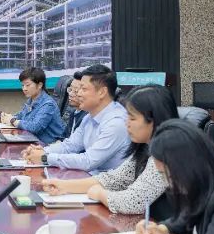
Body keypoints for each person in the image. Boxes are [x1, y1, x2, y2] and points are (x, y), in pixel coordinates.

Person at [41, 85, 176, 215]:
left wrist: (100, 194)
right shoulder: (144, 149)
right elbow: (114, 179)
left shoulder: (166, 153)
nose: (126, 123)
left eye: (132, 118)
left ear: (154, 120)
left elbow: (133, 201)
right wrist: (63, 186)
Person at [20, 63, 130, 174]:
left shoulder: (116, 123)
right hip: (87, 177)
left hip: (103, 182)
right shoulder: (89, 117)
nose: (79, 94)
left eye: (83, 89)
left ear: (102, 92)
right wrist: (42, 150)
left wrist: (45, 157)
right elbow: (70, 146)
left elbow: (88, 161)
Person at [1, 67, 64, 145]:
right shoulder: (31, 100)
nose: (24, 89)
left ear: (40, 85)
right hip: (32, 140)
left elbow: (35, 127)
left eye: (27, 85)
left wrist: (13, 121)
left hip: (48, 145)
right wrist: (9, 117)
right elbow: (21, 116)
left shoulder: (48, 104)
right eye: (22, 85)